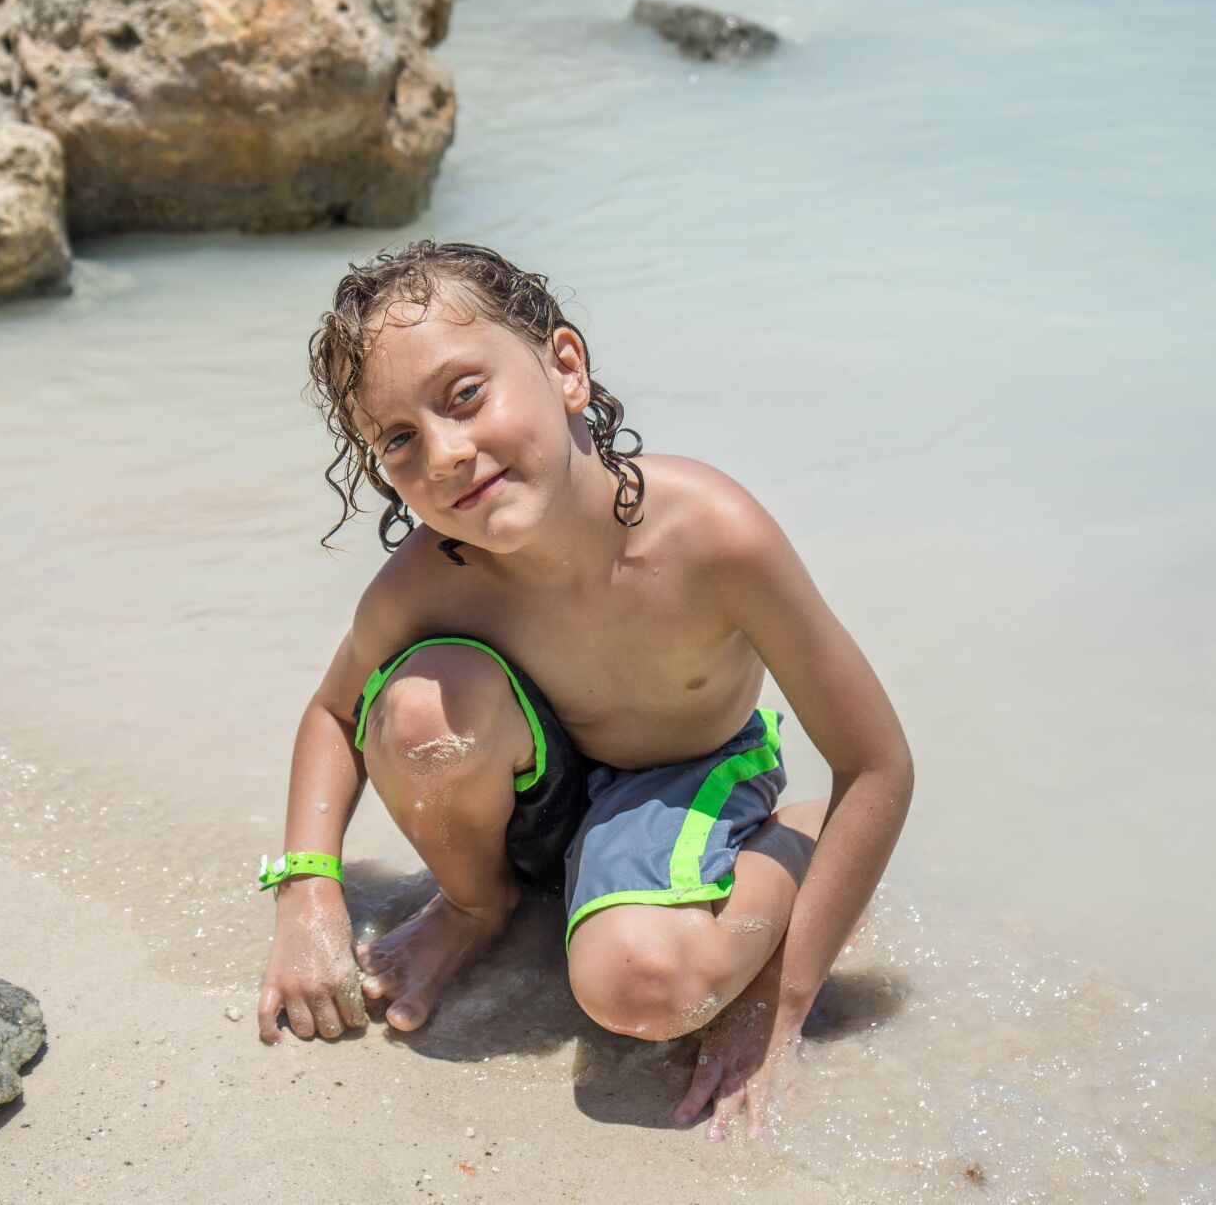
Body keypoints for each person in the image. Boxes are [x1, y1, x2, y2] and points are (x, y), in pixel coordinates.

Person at [255, 241, 913, 1139]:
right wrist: (309, 890)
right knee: (414, 709)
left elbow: (876, 765)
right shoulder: (432, 577)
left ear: (565, 367)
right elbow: (335, 712)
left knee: (643, 991)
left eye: (465, 395)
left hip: (685, 779)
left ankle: (787, 838)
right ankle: (479, 905)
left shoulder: (710, 536)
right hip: (539, 793)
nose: (445, 453)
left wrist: (779, 999)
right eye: (399, 439)